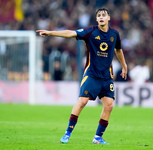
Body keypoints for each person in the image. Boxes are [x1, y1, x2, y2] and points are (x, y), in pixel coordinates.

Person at [36, 8, 127, 145]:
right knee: (82, 102)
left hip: (107, 77)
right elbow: (71, 33)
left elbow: (118, 50)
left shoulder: (115, 34)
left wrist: (124, 66)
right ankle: (67, 134)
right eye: (99, 16)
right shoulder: (90, 31)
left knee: (109, 106)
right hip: (92, 75)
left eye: (104, 15)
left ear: (108, 17)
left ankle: (97, 138)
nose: (101, 17)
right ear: (97, 19)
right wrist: (51, 33)